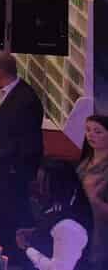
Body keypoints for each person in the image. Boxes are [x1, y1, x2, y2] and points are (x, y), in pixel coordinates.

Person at [0, 51, 45, 259]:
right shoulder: (7, 91)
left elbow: (30, 142)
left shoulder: (26, 100)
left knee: (11, 211)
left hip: (11, 170)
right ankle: (1, 244)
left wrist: (15, 170)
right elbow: (3, 117)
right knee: (0, 207)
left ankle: (11, 256)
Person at [20, 161, 92, 270]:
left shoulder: (68, 225)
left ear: (56, 187)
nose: (36, 188)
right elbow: (53, 234)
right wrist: (35, 233)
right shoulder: (60, 207)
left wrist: (28, 248)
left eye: (41, 184)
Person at [77, 115, 108, 270]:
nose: (91, 135)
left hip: (100, 234)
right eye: (88, 130)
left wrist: (94, 199)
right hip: (80, 225)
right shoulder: (85, 162)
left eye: (98, 131)